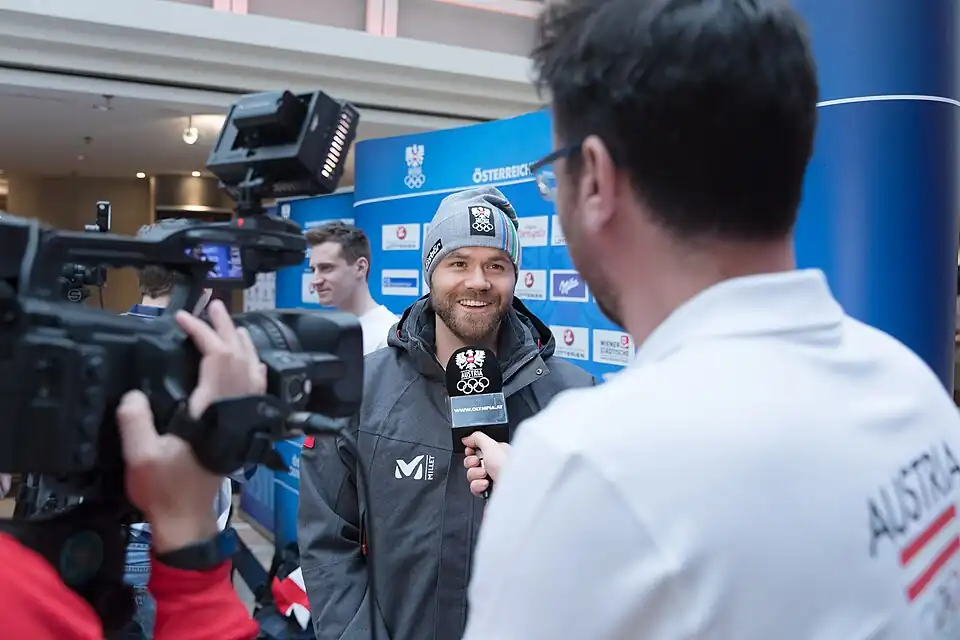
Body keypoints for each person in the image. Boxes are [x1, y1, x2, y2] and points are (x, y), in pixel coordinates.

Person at [460, 1, 960, 639]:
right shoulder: (915, 392)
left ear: (596, 181)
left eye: (554, 174)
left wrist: (549, 500)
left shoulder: (588, 466)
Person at [298, 186, 595, 639]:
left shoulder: (572, 397)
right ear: (430, 272)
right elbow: (327, 544)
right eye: (458, 263)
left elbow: (600, 553)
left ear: (515, 277)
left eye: (496, 265)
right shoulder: (357, 388)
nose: (478, 281)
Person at [0, 301, 263, 640]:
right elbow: (240, 468)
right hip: (160, 541)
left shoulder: (94, 336)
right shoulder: (18, 600)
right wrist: (188, 538)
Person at [119, 220, 234, 640]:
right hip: (182, 548)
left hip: (112, 541)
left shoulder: (100, 341)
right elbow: (239, 459)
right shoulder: (212, 356)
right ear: (201, 280)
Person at [306, 222, 398, 354]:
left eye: (326, 268)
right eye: (313, 270)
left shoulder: (387, 336)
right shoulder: (328, 331)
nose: (316, 281)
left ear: (360, 268)